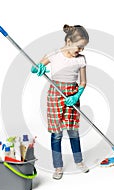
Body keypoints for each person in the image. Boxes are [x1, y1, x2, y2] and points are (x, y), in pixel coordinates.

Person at [31, 24, 90, 180]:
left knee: (73, 131)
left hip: (72, 95)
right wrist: (38, 69)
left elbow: (83, 82)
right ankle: (58, 167)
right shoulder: (54, 55)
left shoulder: (81, 60)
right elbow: (34, 67)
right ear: (69, 41)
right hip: (55, 96)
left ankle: (79, 161)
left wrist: (77, 95)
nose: (81, 50)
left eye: (83, 47)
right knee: (57, 134)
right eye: (79, 46)